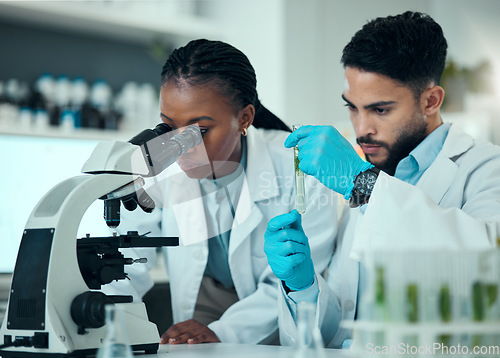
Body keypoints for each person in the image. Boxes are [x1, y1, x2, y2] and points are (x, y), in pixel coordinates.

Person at [263, 11, 500, 348]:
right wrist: (302, 287)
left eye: (380, 109)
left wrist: (364, 184)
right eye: (352, 107)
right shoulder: (373, 174)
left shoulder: (486, 168)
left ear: (430, 101)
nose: (361, 129)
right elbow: (344, 330)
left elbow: (484, 273)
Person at [104, 39, 339, 345]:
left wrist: (224, 332)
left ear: (244, 119)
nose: (180, 145)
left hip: (272, 319)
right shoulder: (160, 168)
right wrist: (106, 321)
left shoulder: (300, 172)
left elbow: (294, 284)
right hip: (200, 301)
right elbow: (127, 257)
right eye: (167, 128)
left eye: (199, 131)